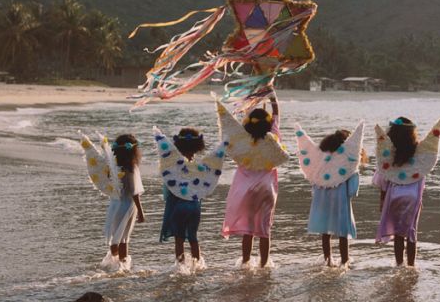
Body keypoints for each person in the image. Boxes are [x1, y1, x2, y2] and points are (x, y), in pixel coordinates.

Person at [217, 93, 289, 267]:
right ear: (268, 123)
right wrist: (272, 96)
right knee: (264, 231)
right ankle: (264, 265)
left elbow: (240, 123)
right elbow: (277, 114)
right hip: (266, 190)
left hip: (246, 191)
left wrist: (252, 98)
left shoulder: (242, 142)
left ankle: (246, 263)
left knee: (248, 231)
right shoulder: (273, 139)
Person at [152, 125, 228, 270]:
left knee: (179, 240)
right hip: (194, 207)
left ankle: (181, 267)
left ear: (178, 145)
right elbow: (215, 161)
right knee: (193, 238)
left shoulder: (174, 165)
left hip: (178, 207)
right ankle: (197, 266)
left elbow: (169, 186)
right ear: (197, 146)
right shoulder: (201, 167)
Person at [373, 117, 440, 267]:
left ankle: (399, 265)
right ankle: (411, 266)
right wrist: (419, 201)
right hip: (413, 196)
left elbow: (383, 179)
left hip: (394, 195)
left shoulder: (389, 154)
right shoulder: (418, 153)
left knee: (398, 235)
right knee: (411, 233)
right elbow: (421, 177)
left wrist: (382, 200)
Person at [294, 123, 365, 267]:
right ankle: (345, 260)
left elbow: (314, 178)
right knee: (342, 231)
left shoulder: (321, 158)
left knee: (325, 231)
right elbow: (352, 188)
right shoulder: (347, 163)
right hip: (340, 200)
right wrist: (351, 193)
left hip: (322, 198)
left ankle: (328, 259)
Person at [79, 132, 145, 271]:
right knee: (124, 238)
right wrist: (140, 210)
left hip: (115, 205)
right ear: (133, 151)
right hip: (127, 206)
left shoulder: (111, 168)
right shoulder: (130, 168)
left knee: (115, 235)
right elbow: (134, 192)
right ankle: (122, 266)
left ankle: (115, 262)